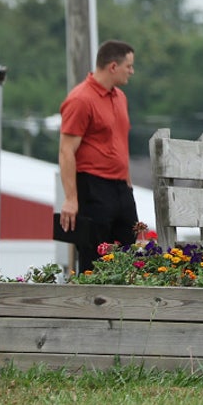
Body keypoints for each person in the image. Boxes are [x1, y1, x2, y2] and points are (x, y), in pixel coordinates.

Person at [58, 40, 139, 272]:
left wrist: (128, 183)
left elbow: (120, 141)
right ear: (113, 67)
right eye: (129, 66)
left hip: (121, 188)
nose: (132, 72)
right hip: (93, 186)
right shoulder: (80, 99)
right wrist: (71, 199)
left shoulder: (120, 97)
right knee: (94, 257)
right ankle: (91, 305)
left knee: (128, 255)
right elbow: (66, 151)